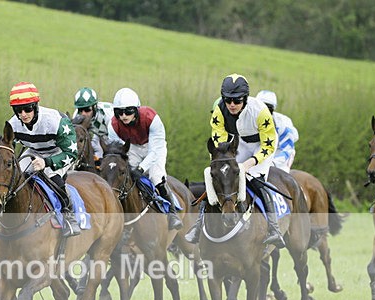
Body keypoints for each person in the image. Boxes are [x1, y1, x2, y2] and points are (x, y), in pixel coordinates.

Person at [186, 74, 285, 247]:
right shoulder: (219, 109)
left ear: (245, 99)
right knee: (215, 177)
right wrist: (222, 160)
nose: (232, 105)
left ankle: (274, 228)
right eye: (228, 100)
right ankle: (198, 225)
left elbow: (268, 145)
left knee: (255, 181)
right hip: (237, 144)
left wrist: (250, 163)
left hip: (262, 146)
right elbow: (219, 138)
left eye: (237, 101)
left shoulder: (260, 111)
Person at [7, 82, 80, 237]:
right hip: (34, 151)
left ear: (36, 106)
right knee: (14, 176)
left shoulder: (56, 122)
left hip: (59, 152)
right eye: (18, 110)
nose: (23, 114)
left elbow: (72, 153)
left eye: (28, 109)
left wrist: (47, 162)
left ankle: (70, 216)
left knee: (51, 176)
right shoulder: (13, 124)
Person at [108, 87, 183, 230]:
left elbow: (155, 151)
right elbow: (117, 152)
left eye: (128, 111)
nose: (124, 116)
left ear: (136, 110)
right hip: (133, 148)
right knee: (125, 177)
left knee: (155, 176)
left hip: (153, 146)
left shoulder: (151, 118)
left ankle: (172, 214)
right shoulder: (113, 125)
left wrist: (141, 169)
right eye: (119, 112)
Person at [256, 89, 298, 172]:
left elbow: (287, 149)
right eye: (261, 108)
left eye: (268, 109)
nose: (265, 112)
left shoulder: (283, 124)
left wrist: (273, 163)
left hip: (280, 153)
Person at [72, 86, 114, 164]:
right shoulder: (76, 116)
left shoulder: (107, 114)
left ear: (95, 107)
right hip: (98, 135)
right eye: (80, 110)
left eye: (87, 110)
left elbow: (113, 140)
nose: (83, 114)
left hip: (115, 135)